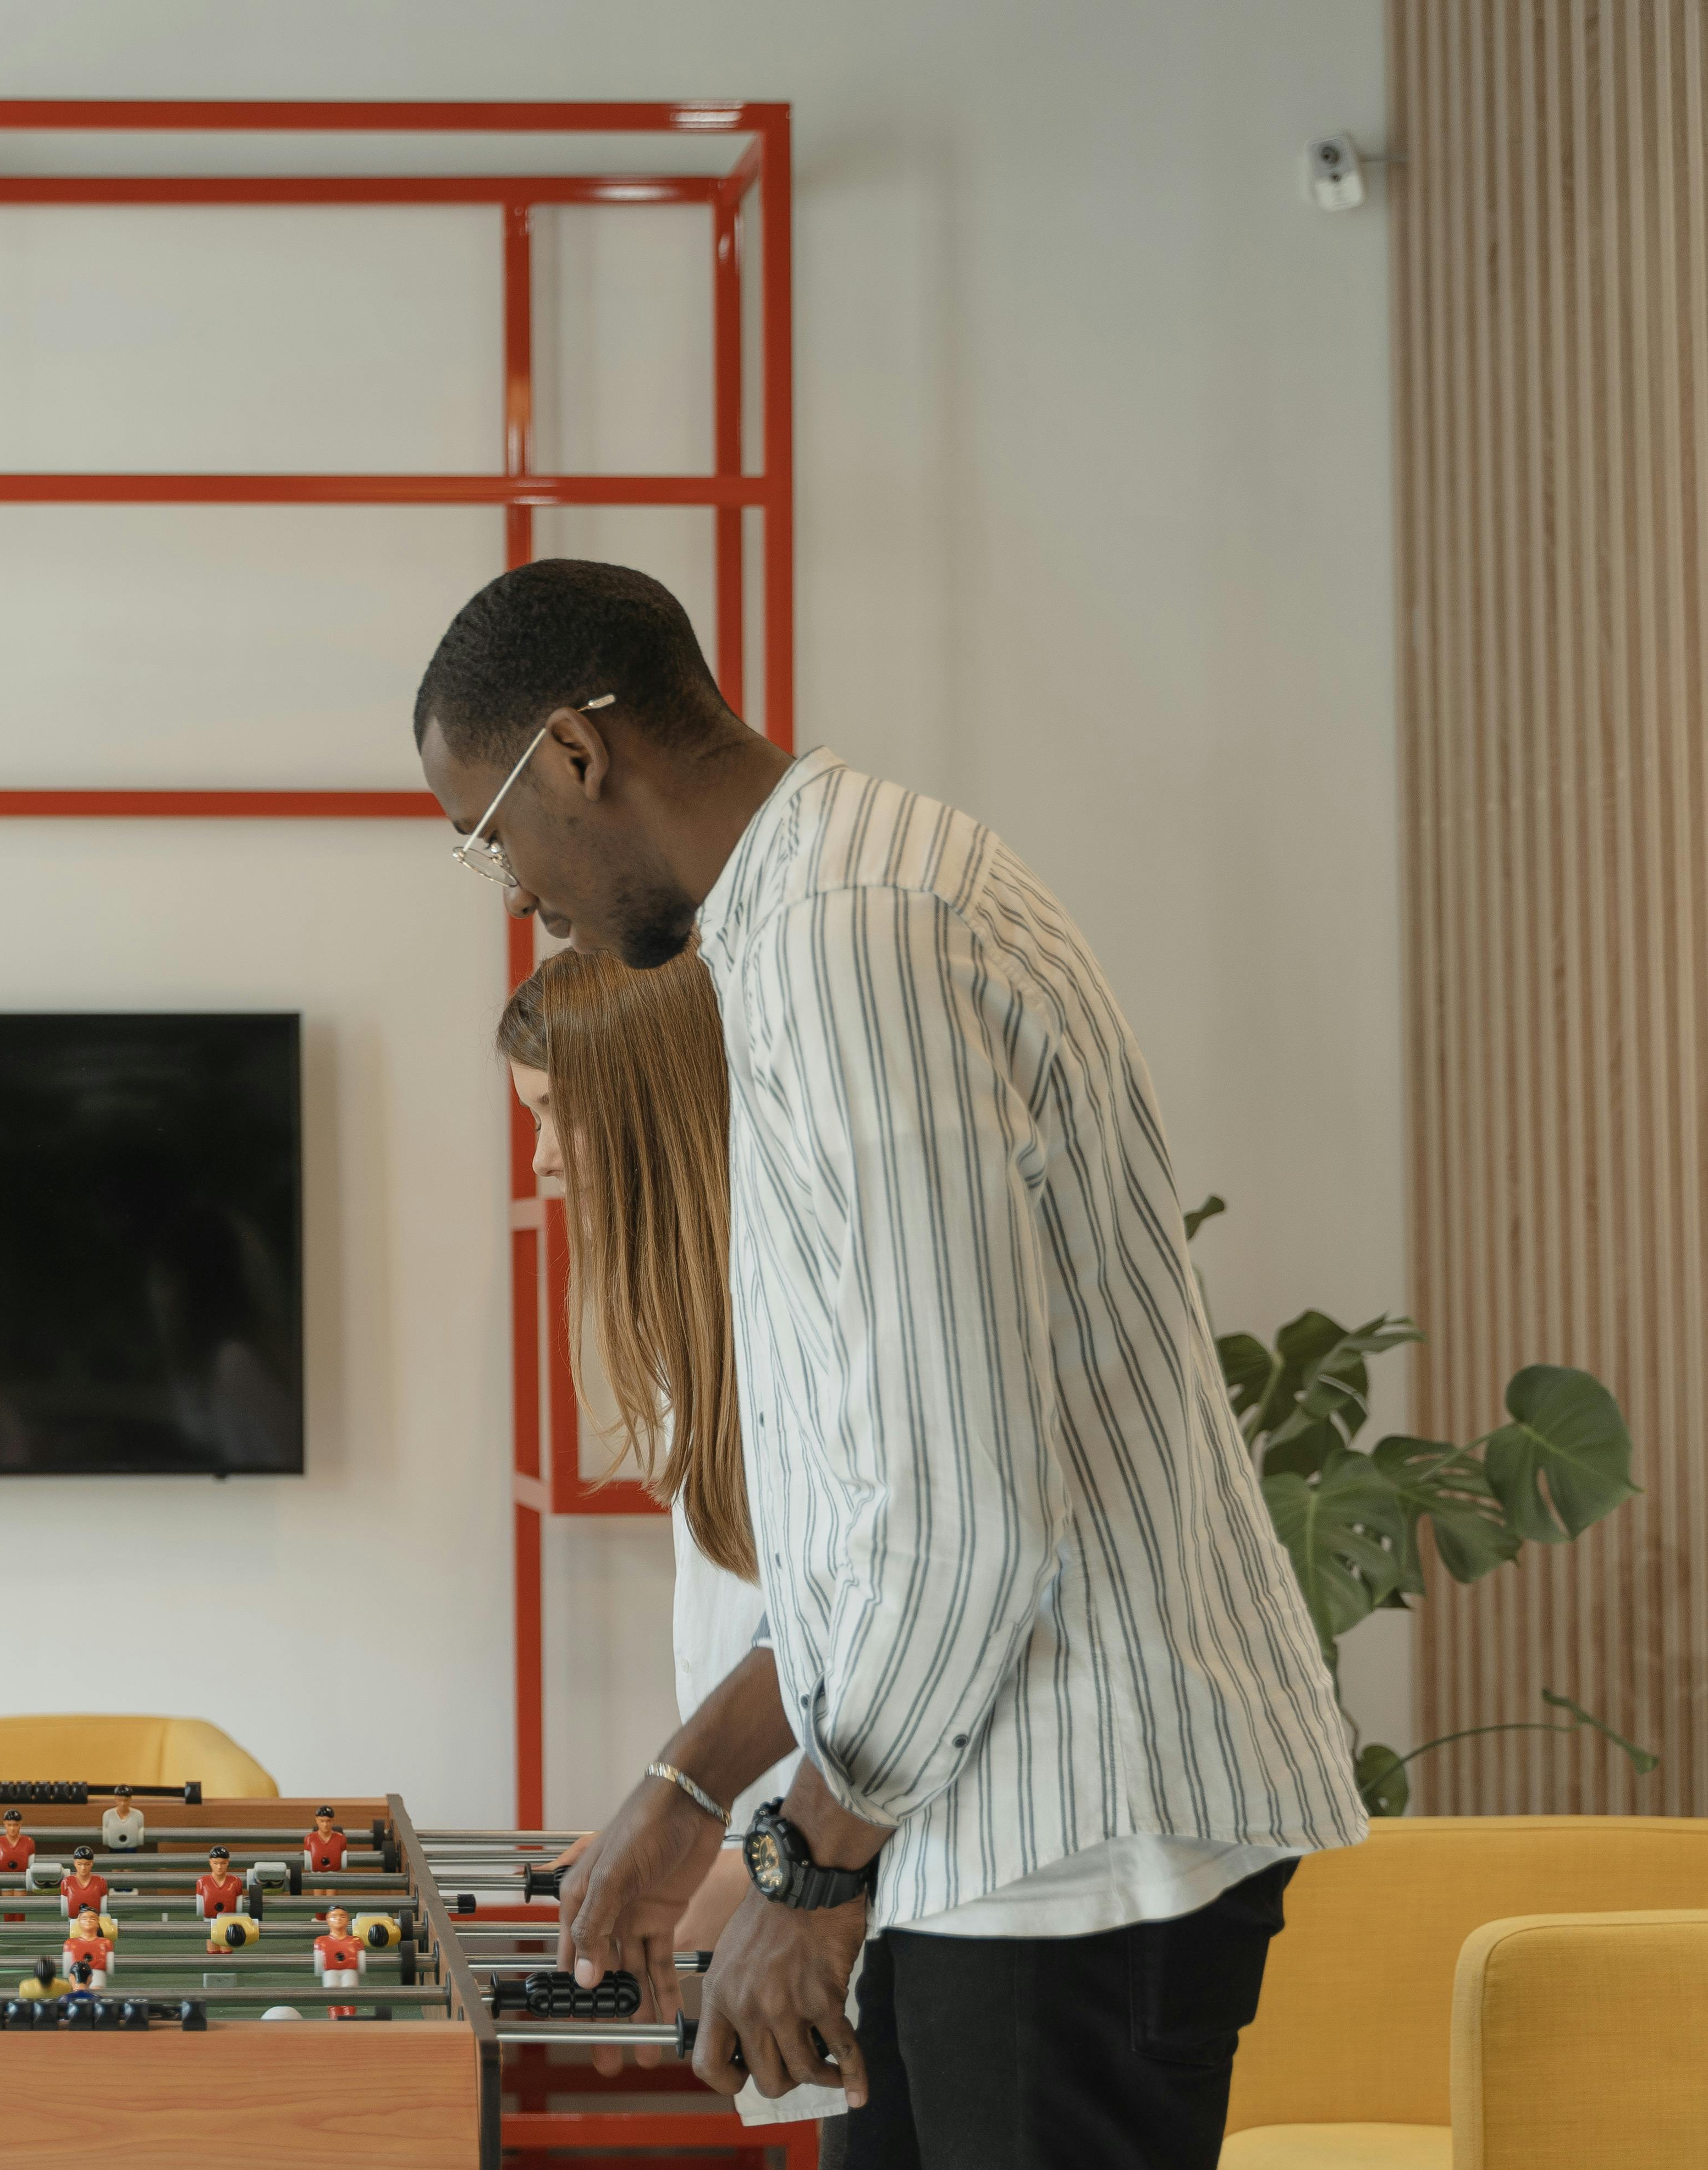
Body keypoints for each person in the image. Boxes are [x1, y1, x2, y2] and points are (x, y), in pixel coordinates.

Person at [415, 560, 1365, 2170]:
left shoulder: (852, 939)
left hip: (1060, 1847)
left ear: (575, 754)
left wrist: (810, 1860)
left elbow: (959, 1503)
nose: (510, 891)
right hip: (976, 1832)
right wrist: (685, 1784)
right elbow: (868, 1510)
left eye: (483, 832)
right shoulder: (817, 909)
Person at [497, 944, 831, 2113]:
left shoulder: (794, 1312)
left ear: (644, 1100)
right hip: (804, 1865)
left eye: (554, 1113)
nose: (538, 1155)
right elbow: (762, 1637)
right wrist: (684, 1830)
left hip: (872, 1882)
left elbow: (859, 1632)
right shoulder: (708, 1330)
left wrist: (728, 1841)